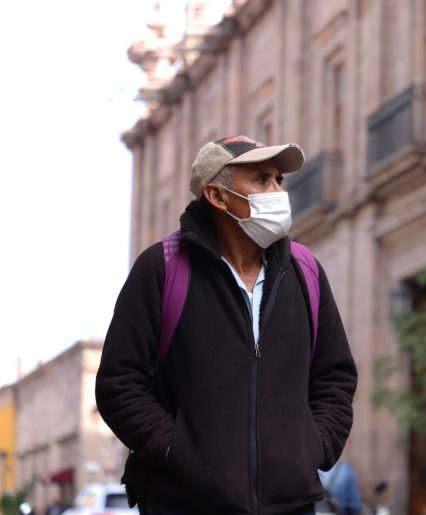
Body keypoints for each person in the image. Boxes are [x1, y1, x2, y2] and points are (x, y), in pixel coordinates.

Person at [96, 135, 358, 514]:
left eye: (279, 180)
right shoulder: (162, 268)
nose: (278, 192)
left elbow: (335, 377)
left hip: (292, 505)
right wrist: (175, 449)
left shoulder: (305, 271)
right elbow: (118, 384)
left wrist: (315, 446)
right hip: (183, 506)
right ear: (218, 196)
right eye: (262, 179)